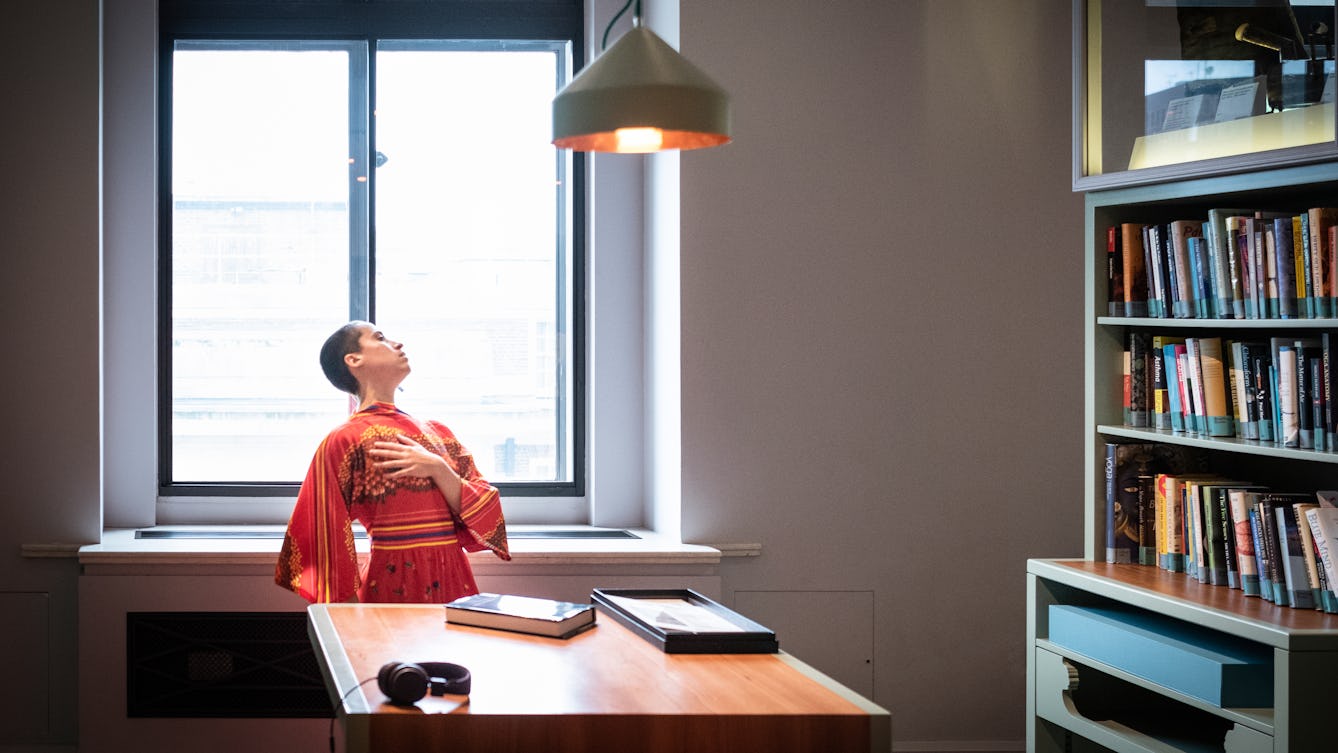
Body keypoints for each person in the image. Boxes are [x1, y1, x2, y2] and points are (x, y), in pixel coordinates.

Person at [276, 321, 509, 603]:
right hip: (392, 583)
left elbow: (488, 505)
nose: (398, 344)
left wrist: (437, 468)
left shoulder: (437, 433)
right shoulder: (345, 440)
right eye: (381, 338)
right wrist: (350, 615)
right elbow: (318, 530)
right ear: (353, 359)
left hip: (454, 579)